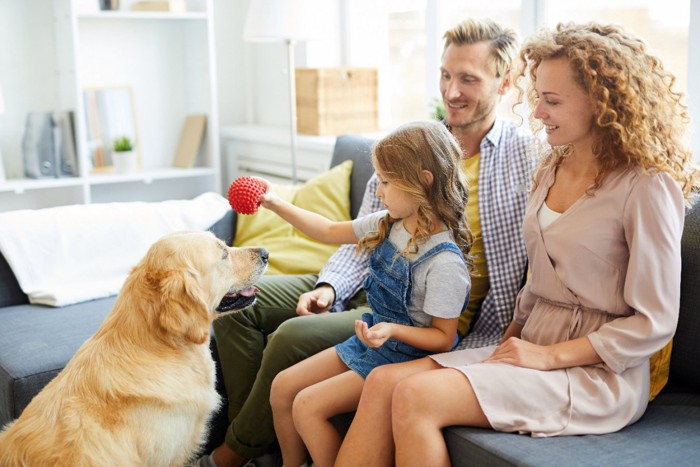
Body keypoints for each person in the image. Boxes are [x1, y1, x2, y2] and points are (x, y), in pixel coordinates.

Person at [335, 21, 697, 467]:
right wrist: (510, 341)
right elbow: (537, 282)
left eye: (552, 100)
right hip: (528, 347)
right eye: (538, 97)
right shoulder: (550, 167)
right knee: (382, 382)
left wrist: (547, 356)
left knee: (414, 395)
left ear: (601, 103)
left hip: (597, 373)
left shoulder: (647, 187)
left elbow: (654, 321)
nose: (538, 112)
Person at [198, 17, 534, 467]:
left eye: (468, 79)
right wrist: (328, 286)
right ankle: (251, 441)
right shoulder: (411, 153)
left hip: (418, 320)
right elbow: (347, 233)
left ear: (505, 81)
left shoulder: (525, 158)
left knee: (292, 344)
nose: (451, 91)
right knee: (235, 305)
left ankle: (232, 453)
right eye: (445, 75)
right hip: (370, 293)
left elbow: (449, 325)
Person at [265, 120, 472, 467]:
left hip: (403, 357)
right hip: (374, 341)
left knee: (307, 406)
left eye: (387, 182)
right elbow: (329, 230)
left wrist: (391, 330)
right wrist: (275, 204)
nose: (379, 191)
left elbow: (443, 339)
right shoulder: (389, 222)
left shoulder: (445, 263)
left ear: (423, 181)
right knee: (283, 389)